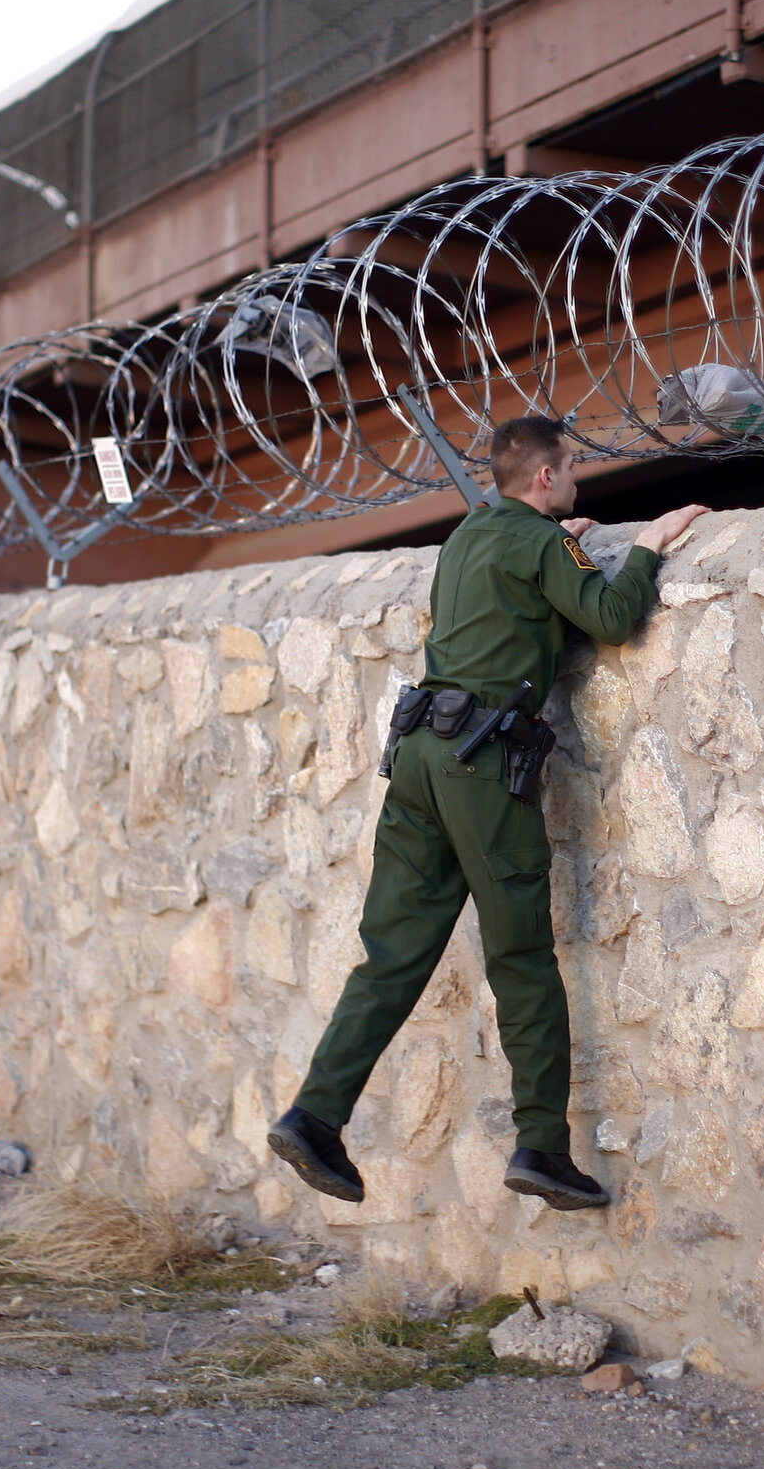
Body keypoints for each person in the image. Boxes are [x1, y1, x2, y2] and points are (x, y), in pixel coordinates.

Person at [268, 414, 707, 1211]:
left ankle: (313, 1117)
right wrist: (647, 548)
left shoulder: (468, 538)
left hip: (418, 757)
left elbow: (505, 602)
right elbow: (611, 621)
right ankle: (541, 1145)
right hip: (481, 766)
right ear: (545, 478)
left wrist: (560, 547)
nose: (576, 477)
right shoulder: (542, 543)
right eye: (569, 467)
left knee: (392, 955)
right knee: (522, 958)